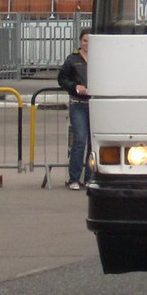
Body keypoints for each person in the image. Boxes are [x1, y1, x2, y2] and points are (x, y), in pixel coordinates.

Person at [58, 28, 91, 190]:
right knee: (80, 139)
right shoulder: (72, 59)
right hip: (78, 104)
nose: (87, 44)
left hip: (96, 105)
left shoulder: (102, 58)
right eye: (85, 40)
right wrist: (75, 87)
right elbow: (62, 79)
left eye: (90, 40)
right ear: (80, 41)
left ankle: (91, 177)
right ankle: (74, 178)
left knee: (94, 142)